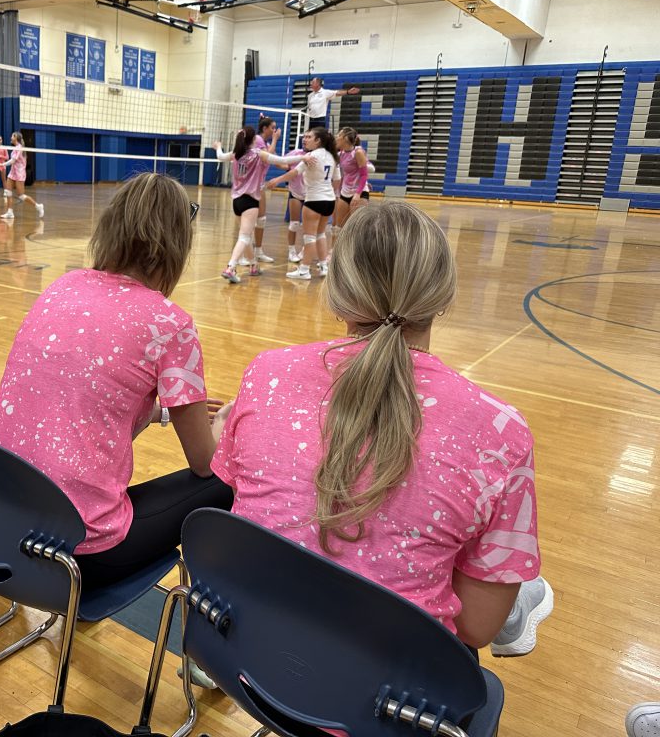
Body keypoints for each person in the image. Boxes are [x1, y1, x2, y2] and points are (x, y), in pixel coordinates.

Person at [211, 201, 550, 654]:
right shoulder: (501, 431)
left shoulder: (265, 374)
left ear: (337, 292)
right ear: (443, 296)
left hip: (252, 657)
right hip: (386, 703)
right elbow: (474, 628)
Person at [0, 172, 231, 589]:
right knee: (226, 475)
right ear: (177, 245)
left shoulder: (62, 286)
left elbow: (83, 397)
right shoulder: (170, 323)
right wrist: (226, 429)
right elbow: (204, 462)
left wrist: (157, 415)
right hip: (71, 556)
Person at [262, 127, 338, 280]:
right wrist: (329, 193)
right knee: (320, 234)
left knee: (309, 237)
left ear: (318, 140)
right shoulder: (332, 156)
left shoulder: (311, 156)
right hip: (329, 200)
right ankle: (324, 267)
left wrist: (277, 180)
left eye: (309, 137)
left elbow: (293, 172)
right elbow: (337, 180)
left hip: (314, 200)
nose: (305, 139)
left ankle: (304, 270)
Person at [213, 127, 268, 284]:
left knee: (246, 235)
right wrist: (302, 159)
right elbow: (282, 161)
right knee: (244, 236)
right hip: (250, 201)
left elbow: (220, 156)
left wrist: (218, 147)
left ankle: (253, 265)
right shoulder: (258, 154)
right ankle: (230, 267)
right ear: (253, 140)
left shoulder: (235, 154)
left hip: (237, 201)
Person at [243, 116, 281, 265]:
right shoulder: (258, 139)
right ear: (265, 129)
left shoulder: (264, 142)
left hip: (259, 184)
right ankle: (244, 255)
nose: (275, 130)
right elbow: (268, 157)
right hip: (250, 186)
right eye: (272, 127)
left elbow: (274, 159)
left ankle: (258, 251)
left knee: (261, 220)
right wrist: (276, 139)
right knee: (249, 222)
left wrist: (288, 167)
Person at [333, 127, 370, 234]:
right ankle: (337, 250)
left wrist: (357, 194)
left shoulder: (358, 152)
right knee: (339, 228)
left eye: (339, 135)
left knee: (357, 229)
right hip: (345, 192)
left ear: (345, 138)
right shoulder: (341, 154)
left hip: (359, 192)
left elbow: (364, 175)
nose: (336, 137)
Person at [0, 132, 44, 220]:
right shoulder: (16, 148)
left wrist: (3, 164)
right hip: (13, 172)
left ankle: (38, 206)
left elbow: (13, 160)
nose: (11, 137)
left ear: (17, 138)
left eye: (13, 136)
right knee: (8, 192)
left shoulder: (19, 148)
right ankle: (10, 212)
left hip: (19, 174)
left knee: (21, 195)